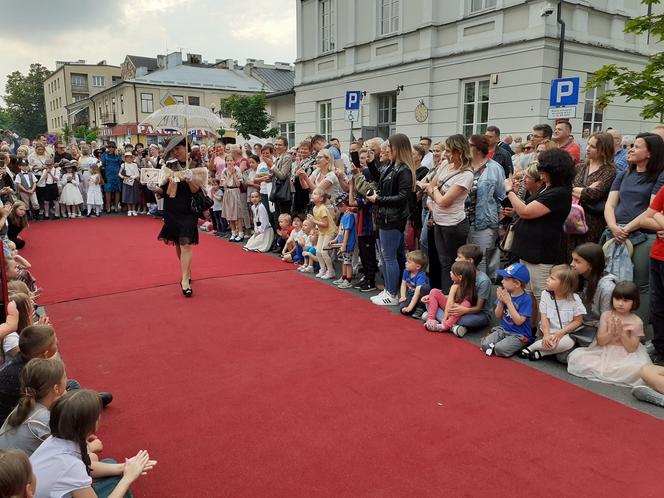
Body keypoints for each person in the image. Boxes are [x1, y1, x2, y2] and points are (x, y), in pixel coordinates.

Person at [30, 389, 157, 498]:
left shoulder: (54, 440)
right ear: (91, 426)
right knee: (117, 486)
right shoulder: (70, 466)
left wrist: (124, 467)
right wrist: (128, 478)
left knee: (109, 465)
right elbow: (76, 469)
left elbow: (88, 468)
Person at [505, 149, 575, 316]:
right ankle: (531, 329)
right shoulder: (548, 188)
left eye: (544, 167)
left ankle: (543, 332)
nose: (540, 170)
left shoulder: (559, 192)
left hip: (541, 251)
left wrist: (509, 191)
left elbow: (525, 211)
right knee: (528, 291)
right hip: (529, 248)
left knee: (541, 294)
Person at [604, 132, 664, 324]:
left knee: (640, 285)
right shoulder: (624, 173)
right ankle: (613, 325)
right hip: (617, 233)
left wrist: (626, 229)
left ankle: (638, 331)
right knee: (612, 281)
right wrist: (613, 226)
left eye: (637, 146)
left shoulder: (659, 176)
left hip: (644, 236)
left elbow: (651, 210)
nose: (630, 149)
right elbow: (610, 204)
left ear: (650, 153)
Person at [567, 282, 652, 387]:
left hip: (626, 354)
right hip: (604, 351)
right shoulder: (606, 315)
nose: (620, 303)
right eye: (617, 299)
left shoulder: (636, 321)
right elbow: (601, 342)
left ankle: (614, 371)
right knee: (578, 358)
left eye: (625, 300)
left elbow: (631, 349)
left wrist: (621, 333)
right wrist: (610, 332)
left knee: (636, 369)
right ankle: (612, 371)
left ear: (634, 302)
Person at [366, 133, 416, 306]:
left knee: (389, 257)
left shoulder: (403, 170)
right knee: (394, 256)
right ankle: (392, 289)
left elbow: (403, 197)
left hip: (392, 218)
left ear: (398, 148)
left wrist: (378, 199)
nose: (387, 149)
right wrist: (372, 163)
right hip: (386, 216)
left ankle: (392, 292)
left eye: (390, 147)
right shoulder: (393, 166)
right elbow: (380, 180)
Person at [149, 135, 201, 297]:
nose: (175, 152)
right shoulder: (169, 165)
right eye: (173, 150)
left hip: (189, 210)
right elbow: (163, 190)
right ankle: (187, 270)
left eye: (178, 148)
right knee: (179, 243)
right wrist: (155, 188)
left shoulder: (197, 165)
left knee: (186, 243)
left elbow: (198, 191)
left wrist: (190, 178)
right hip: (172, 209)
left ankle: (184, 279)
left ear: (187, 148)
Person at [422, 134, 474, 294]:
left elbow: (444, 200)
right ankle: (443, 297)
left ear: (460, 152)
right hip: (439, 221)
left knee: (454, 265)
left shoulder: (466, 174)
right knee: (443, 263)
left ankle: (453, 299)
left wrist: (434, 190)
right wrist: (435, 191)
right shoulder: (445, 164)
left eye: (450, 151)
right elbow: (431, 186)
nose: (446, 155)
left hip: (454, 225)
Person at [0, 358, 66, 455]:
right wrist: (90, 446)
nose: (67, 379)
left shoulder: (24, 404)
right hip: (13, 468)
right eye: (65, 377)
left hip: (6, 462)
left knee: (73, 385)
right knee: (92, 458)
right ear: (56, 388)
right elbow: (65, 451)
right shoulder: (45, 419)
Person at [566, 132, 617, 256]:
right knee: (569, 256)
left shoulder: (609, 170)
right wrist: (585, 189)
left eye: (593, 146)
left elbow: (593, 195)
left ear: (603, 150)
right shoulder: (580, 167)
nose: (588, 148)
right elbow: (566, 187)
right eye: (588, 144)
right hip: (573, 219)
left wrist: (577, 189)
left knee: (586, 258)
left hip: (592, 221)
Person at [519, 265, 586, 360]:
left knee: (567, 344)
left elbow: (578, 321)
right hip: (548, 332)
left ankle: (539, 351)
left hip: (565, 334)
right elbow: (544, 316)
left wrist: (561, 333)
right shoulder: (545, 294)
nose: (547, 279)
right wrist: (546, 334)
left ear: (564, 284)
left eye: (552, 278)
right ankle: (535, 348)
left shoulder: (575, 299)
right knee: (553, 346)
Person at [465, 134, 505, 278]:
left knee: (482, 261)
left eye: (469, 145)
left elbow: (502, 195)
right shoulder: (464, 166)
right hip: (462, 221)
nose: (466, 147)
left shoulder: (494, 168)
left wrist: (501, 224)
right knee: (465, 261)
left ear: (478, 148)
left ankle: (483, 297)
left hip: (484, 222)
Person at [568, 243, 617, 349]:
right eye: (572, 259)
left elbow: (607, 320)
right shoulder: (578, 277)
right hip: (579, 324)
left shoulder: (607, 287)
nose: (572, 264)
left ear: (590, 264)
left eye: (577, 261)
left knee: (565, 355)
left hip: (597, 329)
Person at [480, 263, 533, 357]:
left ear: (517, 283)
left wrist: (508, 303)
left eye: (506, 279)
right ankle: (498, 342)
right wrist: (500, 302)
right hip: (503, 330)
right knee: (485, 345)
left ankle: (523, 344)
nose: (502, 281)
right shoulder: (506, 293)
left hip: (519, 334)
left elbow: (519, 322)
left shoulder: (526, 299)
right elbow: (498, 315)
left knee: (500, 349)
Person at [423, 260, 475, 332]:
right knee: (434, 291)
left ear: (460, 277)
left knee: (466, 304)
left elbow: (456, 305)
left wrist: (445, 318)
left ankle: (445, 326)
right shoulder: (455, 283)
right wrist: (431, 296)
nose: (450, 273)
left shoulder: (468, 289)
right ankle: (431, 319)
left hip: (456, 312)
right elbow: (448, 300)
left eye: (452, 272)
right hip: (449, 308)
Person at [307, 187, 337, 280]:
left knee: (324, 252)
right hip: (322, 232)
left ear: (321, 198)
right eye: (313, 193)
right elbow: (318, 223)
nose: (313, 195)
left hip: (329, 231)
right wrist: (312, 222)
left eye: (315, 194)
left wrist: (313, 220)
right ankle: (323, 269)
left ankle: (331, 271)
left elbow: (325, 224)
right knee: (318, 251)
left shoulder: (323, 209)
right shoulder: (315, 208)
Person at [332, 194, 357, 289]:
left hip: (347, 244)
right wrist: (335, 240)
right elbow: (341, 231)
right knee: (343, 261)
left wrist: (344, 244)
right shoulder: (344, 216)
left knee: (347, 262)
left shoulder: (349, 216)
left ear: (344, 205)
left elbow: (347, 231)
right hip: (342, 243)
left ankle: (348, 280)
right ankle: (343, 277)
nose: (338, 209)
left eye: (339, 206)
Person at [398, 250, 430, 318]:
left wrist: (410, 307)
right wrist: (403, 296)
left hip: (420, 298)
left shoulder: (421, 276)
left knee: (424, 288)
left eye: (409, 262)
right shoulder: (406, 271)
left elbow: (417, 294)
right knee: (402, 308)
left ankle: (421, 308)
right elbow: (403, 285)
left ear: (417, 266)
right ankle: (413, 308)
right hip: (411, 296)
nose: (406, 263)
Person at [222, 154, 245, 242]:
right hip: (228, 192)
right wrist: (229, 175)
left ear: (234, 161)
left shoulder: (237, 169)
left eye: (231, 160)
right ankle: (233, 232)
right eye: (227, 160)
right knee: (229, 214)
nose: (229, 162)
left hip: (235, 191)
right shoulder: (224, 171)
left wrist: (233, 174)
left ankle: (240, 233)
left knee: (238, 214)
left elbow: (239, 184)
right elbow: (224, 185)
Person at [271, 136, 293, 220]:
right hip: (278, 190)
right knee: (278, 216)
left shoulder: (286, 157)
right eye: (276, 144)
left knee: (284, 217)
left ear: (285, 147)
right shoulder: (278, 157)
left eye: (280, 145)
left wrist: (271, 166)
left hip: (284, 191)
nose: (277, 146)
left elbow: (282, 175)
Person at [101, 142, 122, 213]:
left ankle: (116, 207)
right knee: (107, 191)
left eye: (113, 147)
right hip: (108, 175)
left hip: (117, 175)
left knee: (117, 191)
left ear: (115, 148)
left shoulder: (118, 155)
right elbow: (102, 166)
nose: (111, 148)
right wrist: (103, 176)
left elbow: (121, 165)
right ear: (107, 148)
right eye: (109, 147)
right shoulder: (104, 155)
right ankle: (108, 207)